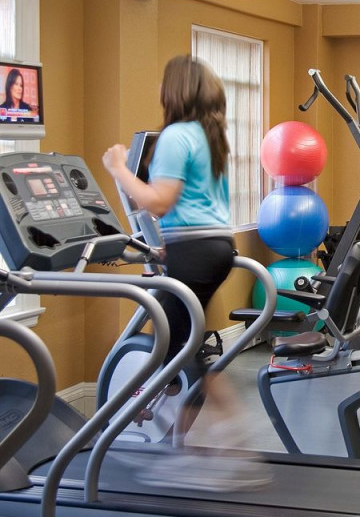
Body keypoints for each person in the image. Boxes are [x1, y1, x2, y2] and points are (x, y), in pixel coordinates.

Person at [103, 55, 271, 491]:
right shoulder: (207, 135)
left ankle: (227, 445)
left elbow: (156, 202)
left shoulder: (178, 135)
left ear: (171, 92)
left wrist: (119, 168)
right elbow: (193, 206)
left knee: (181, 351)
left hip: (194, 252)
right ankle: (186, 447)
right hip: (212, 247)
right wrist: (169, 245)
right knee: (181, 346)